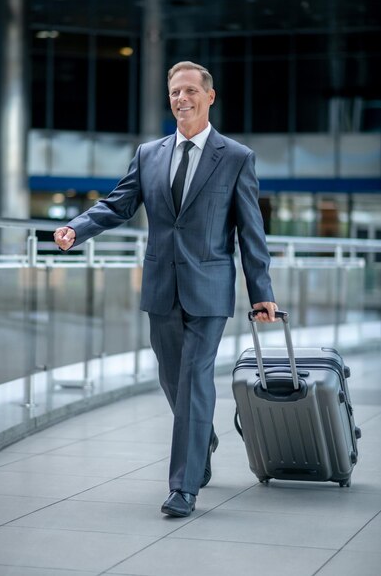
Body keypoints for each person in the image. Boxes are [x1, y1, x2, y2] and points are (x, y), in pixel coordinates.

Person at [54, 61, 278, 517]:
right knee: (173, 380)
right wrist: (77, 229)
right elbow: (119, 204)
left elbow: (251, 232)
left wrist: (261, 292)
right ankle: (202, 437)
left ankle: (184, 487)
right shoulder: (148, 154)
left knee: (196, 379)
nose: (182, 99)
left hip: (210, 288)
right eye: (175, 91)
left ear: (209, 97)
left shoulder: (235, 157)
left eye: (191, 91)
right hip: (160, 285)